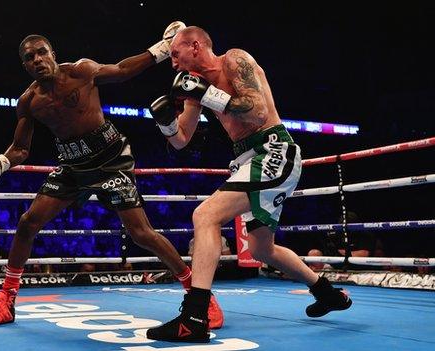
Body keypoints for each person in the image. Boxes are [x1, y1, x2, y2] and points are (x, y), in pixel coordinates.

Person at [0, 23, 223, 329]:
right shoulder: (29, 101)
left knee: (140, 233)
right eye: (29, 57)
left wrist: (159, 49)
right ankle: (6, 299)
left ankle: (200, 298)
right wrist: (0, 162)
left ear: (52, 53)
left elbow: (120, 70)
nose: (37, 59)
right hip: (72, 166)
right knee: (28, 223)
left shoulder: (80, 72)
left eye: (41, 52)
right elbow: (21, 149)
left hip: (110, 159)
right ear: (25, 65)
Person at [146, 26, 352, 343]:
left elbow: (257, 112)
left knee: (205, 215)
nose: (173, 64)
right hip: (247, 159)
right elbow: (181, 141)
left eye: (175, 54)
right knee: (261, 248)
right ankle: (326, 294)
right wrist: (166, 123)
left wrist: (207, 94)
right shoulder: (194, 90)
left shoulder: (235, 60)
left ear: (196, 46)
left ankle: (194, 317)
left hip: (273, 150)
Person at [306, 211, 375, 271]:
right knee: (313, 253)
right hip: (337, 264)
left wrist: (338, 251)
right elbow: (320, 251)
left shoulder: (364, 234)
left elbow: (363, 254)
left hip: (358, 266)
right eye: (342, 226)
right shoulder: (336, 233)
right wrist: (330, 249)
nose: (344, 229)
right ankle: (315, 279)